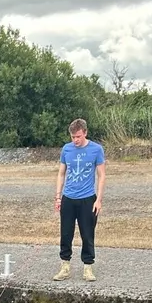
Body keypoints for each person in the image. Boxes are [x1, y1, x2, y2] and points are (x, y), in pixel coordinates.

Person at [53, 118, 106, 283]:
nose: (75, 140)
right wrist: (58, 196)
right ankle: (65, 267)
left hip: (87, 199)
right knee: (66, 233)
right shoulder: (66, 150)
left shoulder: (96, 150)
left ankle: (88, 267)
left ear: (85, 133)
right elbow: (61, 173)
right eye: (73, 137)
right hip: (69, 198)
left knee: (87, 234)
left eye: (78, 136)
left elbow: (101, 175)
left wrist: (98, 200)